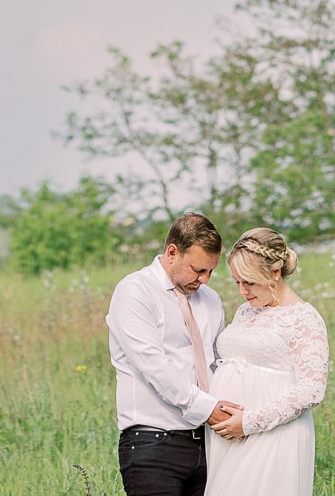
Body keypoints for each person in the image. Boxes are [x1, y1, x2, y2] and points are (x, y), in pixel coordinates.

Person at [107, 212, 239, 496]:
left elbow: (219, 363)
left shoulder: (211, 300)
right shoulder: (134, 292)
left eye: (210, 272)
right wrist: (210, 410)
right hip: (153, 444)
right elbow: (155, 367)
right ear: (172, 252)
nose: (204, 279)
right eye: (197, 269)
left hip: (209, 445)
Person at [204, 227, 329, 496]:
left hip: (273, 434)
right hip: (228, 438)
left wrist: (249, 422)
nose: (242, 291)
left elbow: (312, 389)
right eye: (237, 282)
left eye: (249, 282)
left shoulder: (304, 318)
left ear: (275, 273)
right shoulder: (245, 311)